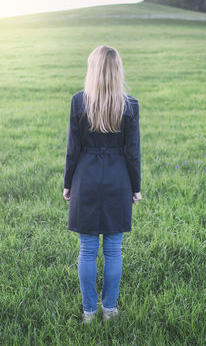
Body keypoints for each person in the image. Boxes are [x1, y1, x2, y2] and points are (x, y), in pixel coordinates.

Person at [63, 45, 142, 324]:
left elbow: (73, 149)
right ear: (118, 70)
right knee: (113, 250)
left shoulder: (78, 101)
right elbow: (133, 152)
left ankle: (88, 312)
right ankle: (109, 310)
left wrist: (67, 182)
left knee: (87, 250)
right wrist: (136, 187)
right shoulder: (130, 105)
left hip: (85, 178)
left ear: (92, 70)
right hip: (118, 180)